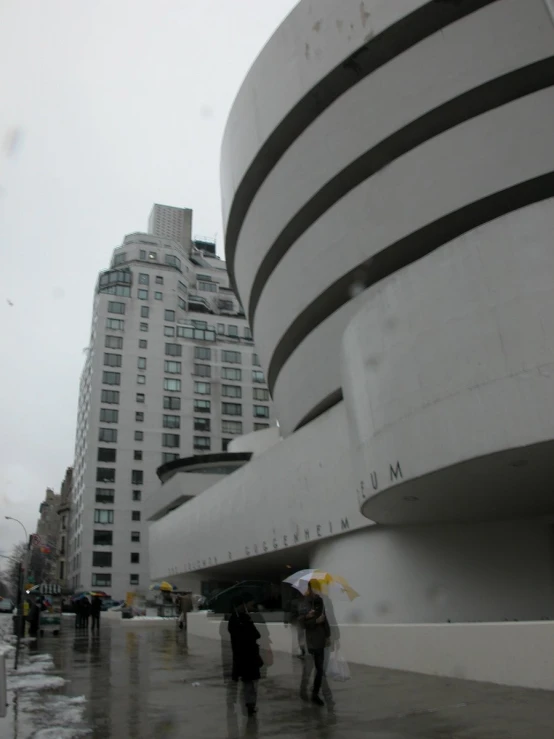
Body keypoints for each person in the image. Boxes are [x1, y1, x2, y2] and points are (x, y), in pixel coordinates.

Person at [227, 593, 263, 717]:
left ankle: (250, 704)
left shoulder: (235, 620)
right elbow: (255, 635)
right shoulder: (240, 620)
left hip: (243, 656)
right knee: (251, 681)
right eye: (243, 604)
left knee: (249, 681)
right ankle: (250, 704)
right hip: (248, 655)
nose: (245, 606)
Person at [298, 582, 333, 707]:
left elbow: (326, 619)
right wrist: (313, 620)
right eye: (314, 589)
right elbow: (301, 623)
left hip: (320, 639)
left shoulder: (320, 601)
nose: (316, 591)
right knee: (308, 669)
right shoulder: (304, 603)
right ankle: (303, 690)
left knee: (320, 669)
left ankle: (315, 694)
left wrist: (328, 635)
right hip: (310, 641)